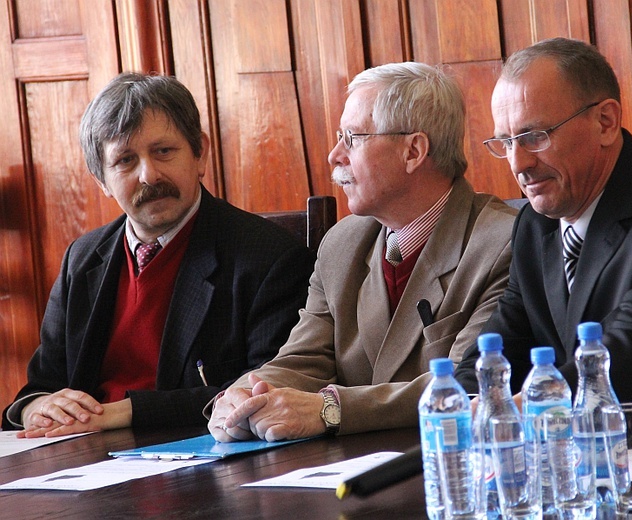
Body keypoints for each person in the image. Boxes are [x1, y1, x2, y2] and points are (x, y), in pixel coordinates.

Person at [207, 62, 517, 442]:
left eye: (352, 138)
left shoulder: (503, 242)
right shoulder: (342, 244)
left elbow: (470, 384)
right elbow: (303, 360)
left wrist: (330, 409)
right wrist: (243, 397)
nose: (334, 156)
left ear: (413, 151)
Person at [1, 72, 315, 436]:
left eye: (164, 151)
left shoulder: (269, 258)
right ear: (101, 179)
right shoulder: (82, 259)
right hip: (83, 458)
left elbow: (266, 390)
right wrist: (35, 406)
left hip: (201, 458)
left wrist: (126, 412)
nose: (149, 175)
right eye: (125, 161)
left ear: (200, 153)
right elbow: (44, 382)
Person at [454, 37, 632, 451]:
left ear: (605, 121)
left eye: (534, 136)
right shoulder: (535, 226)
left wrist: (521, 410)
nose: (518, 163)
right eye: (506, 142)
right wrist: (465, 406)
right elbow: (497, 348)